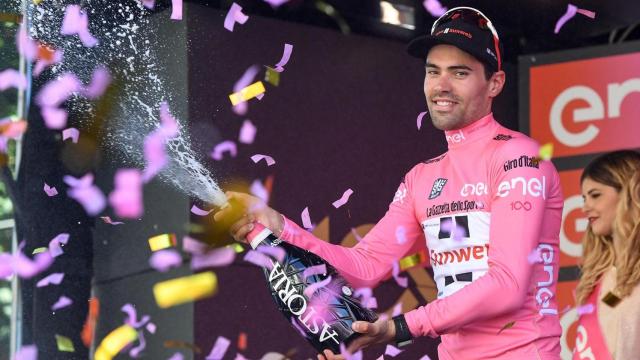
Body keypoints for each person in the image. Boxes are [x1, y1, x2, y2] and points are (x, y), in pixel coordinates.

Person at [215, 6, 564, 359]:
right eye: (433, 72)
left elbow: (507, 286)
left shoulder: (521, 157)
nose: (441, 86)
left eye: (459, 73)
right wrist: (281, 228)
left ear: (495, 83)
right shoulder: (422, 177)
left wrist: (399, 327)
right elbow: (365, 267)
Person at [573, 150, 640, 360]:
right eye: (584, 198)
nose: (585, 207)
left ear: (630, 193)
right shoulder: (605, 277)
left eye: (595, 195)